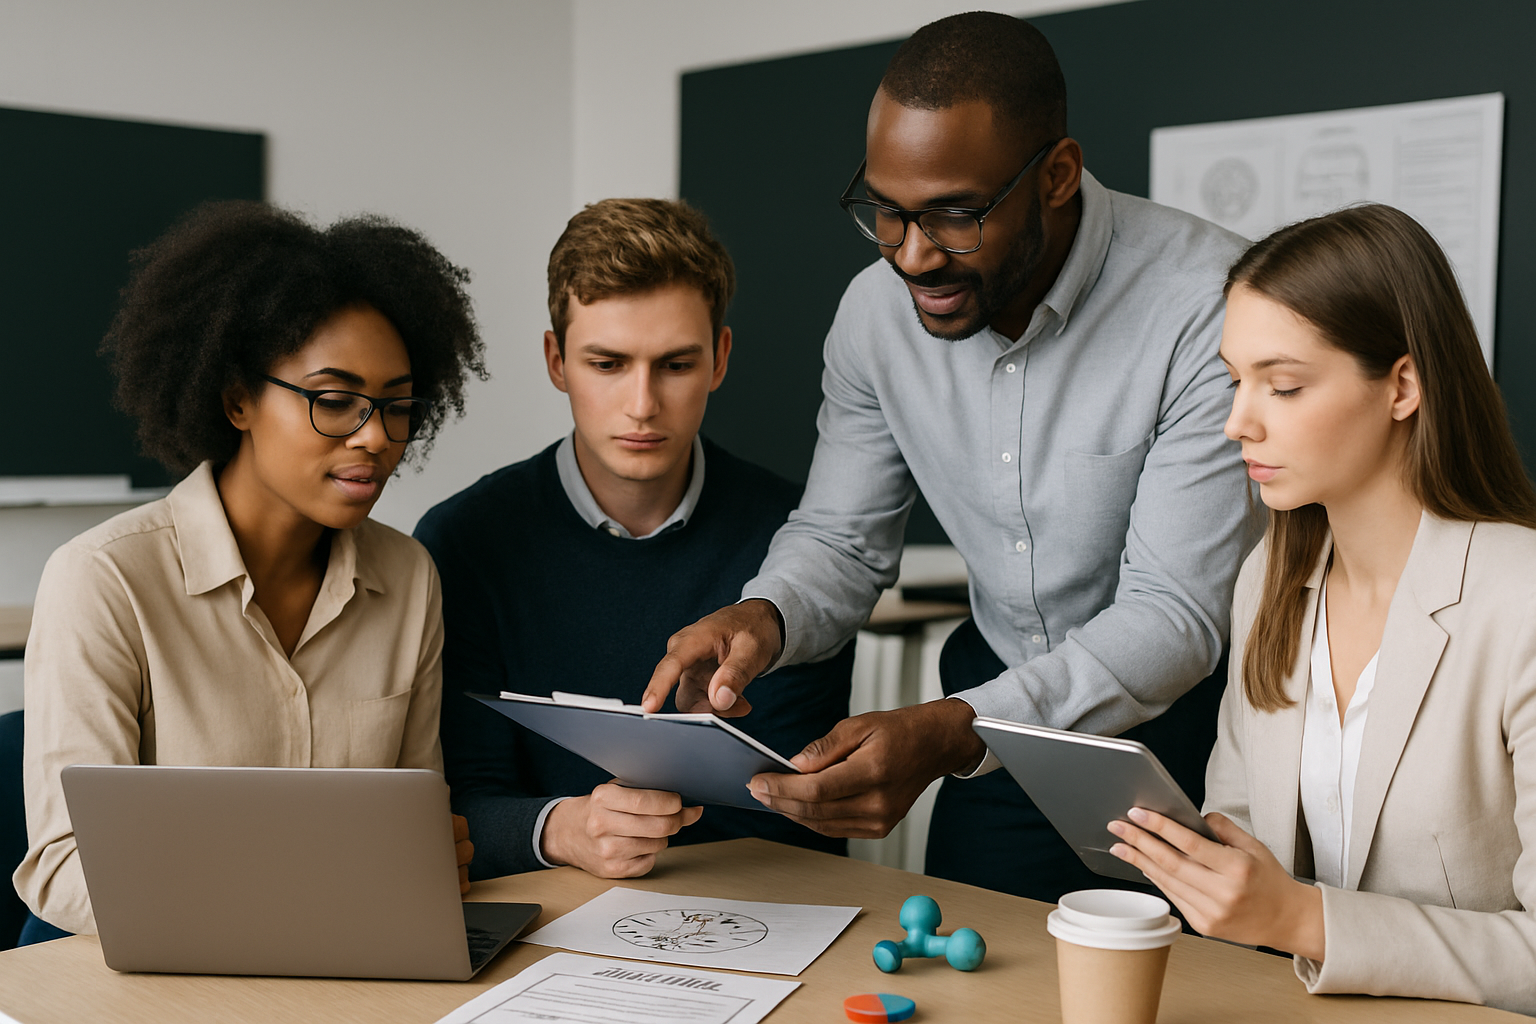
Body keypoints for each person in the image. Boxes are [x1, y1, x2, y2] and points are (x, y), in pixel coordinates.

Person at [641, 12, 1255, 900]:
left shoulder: (1210, 305)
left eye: (955, 215)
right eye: (885, 212)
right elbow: (842, 540)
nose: (914, 256)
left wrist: (956, 729)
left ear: (1057, 175)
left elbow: (1173, 615)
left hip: (1192, 728)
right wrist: (761, 619)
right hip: (992, 733)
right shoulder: (872, 315)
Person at [14, 201, 485, 942]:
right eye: (335, 401)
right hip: (148, 972)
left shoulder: (408, 576)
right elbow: (65, 868)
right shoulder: (104, 581)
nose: (376, 438)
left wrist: (422, 864)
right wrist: (316, 892)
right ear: (237, 399)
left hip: (351, 955)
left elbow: (413, 831)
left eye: (397, 408)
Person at [1106, 204, 1536, 1015]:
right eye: (1236, 380)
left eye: (1285, 384)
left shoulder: (1522, 599)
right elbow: (1243, 827)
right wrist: (1207, 869)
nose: (1239, 421)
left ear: (1402, 385)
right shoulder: (1270, 575)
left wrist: (1301, 918)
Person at [415, 198, 853, 881]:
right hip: (543, 923)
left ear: (720, 359)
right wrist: (560, 829)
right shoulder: (465, 541)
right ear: (557, 361)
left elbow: (797, 814)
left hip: (765, 917)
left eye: (675, 365)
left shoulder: (803, 541)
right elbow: (457, 810)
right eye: (608, 364)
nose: (643, 404)